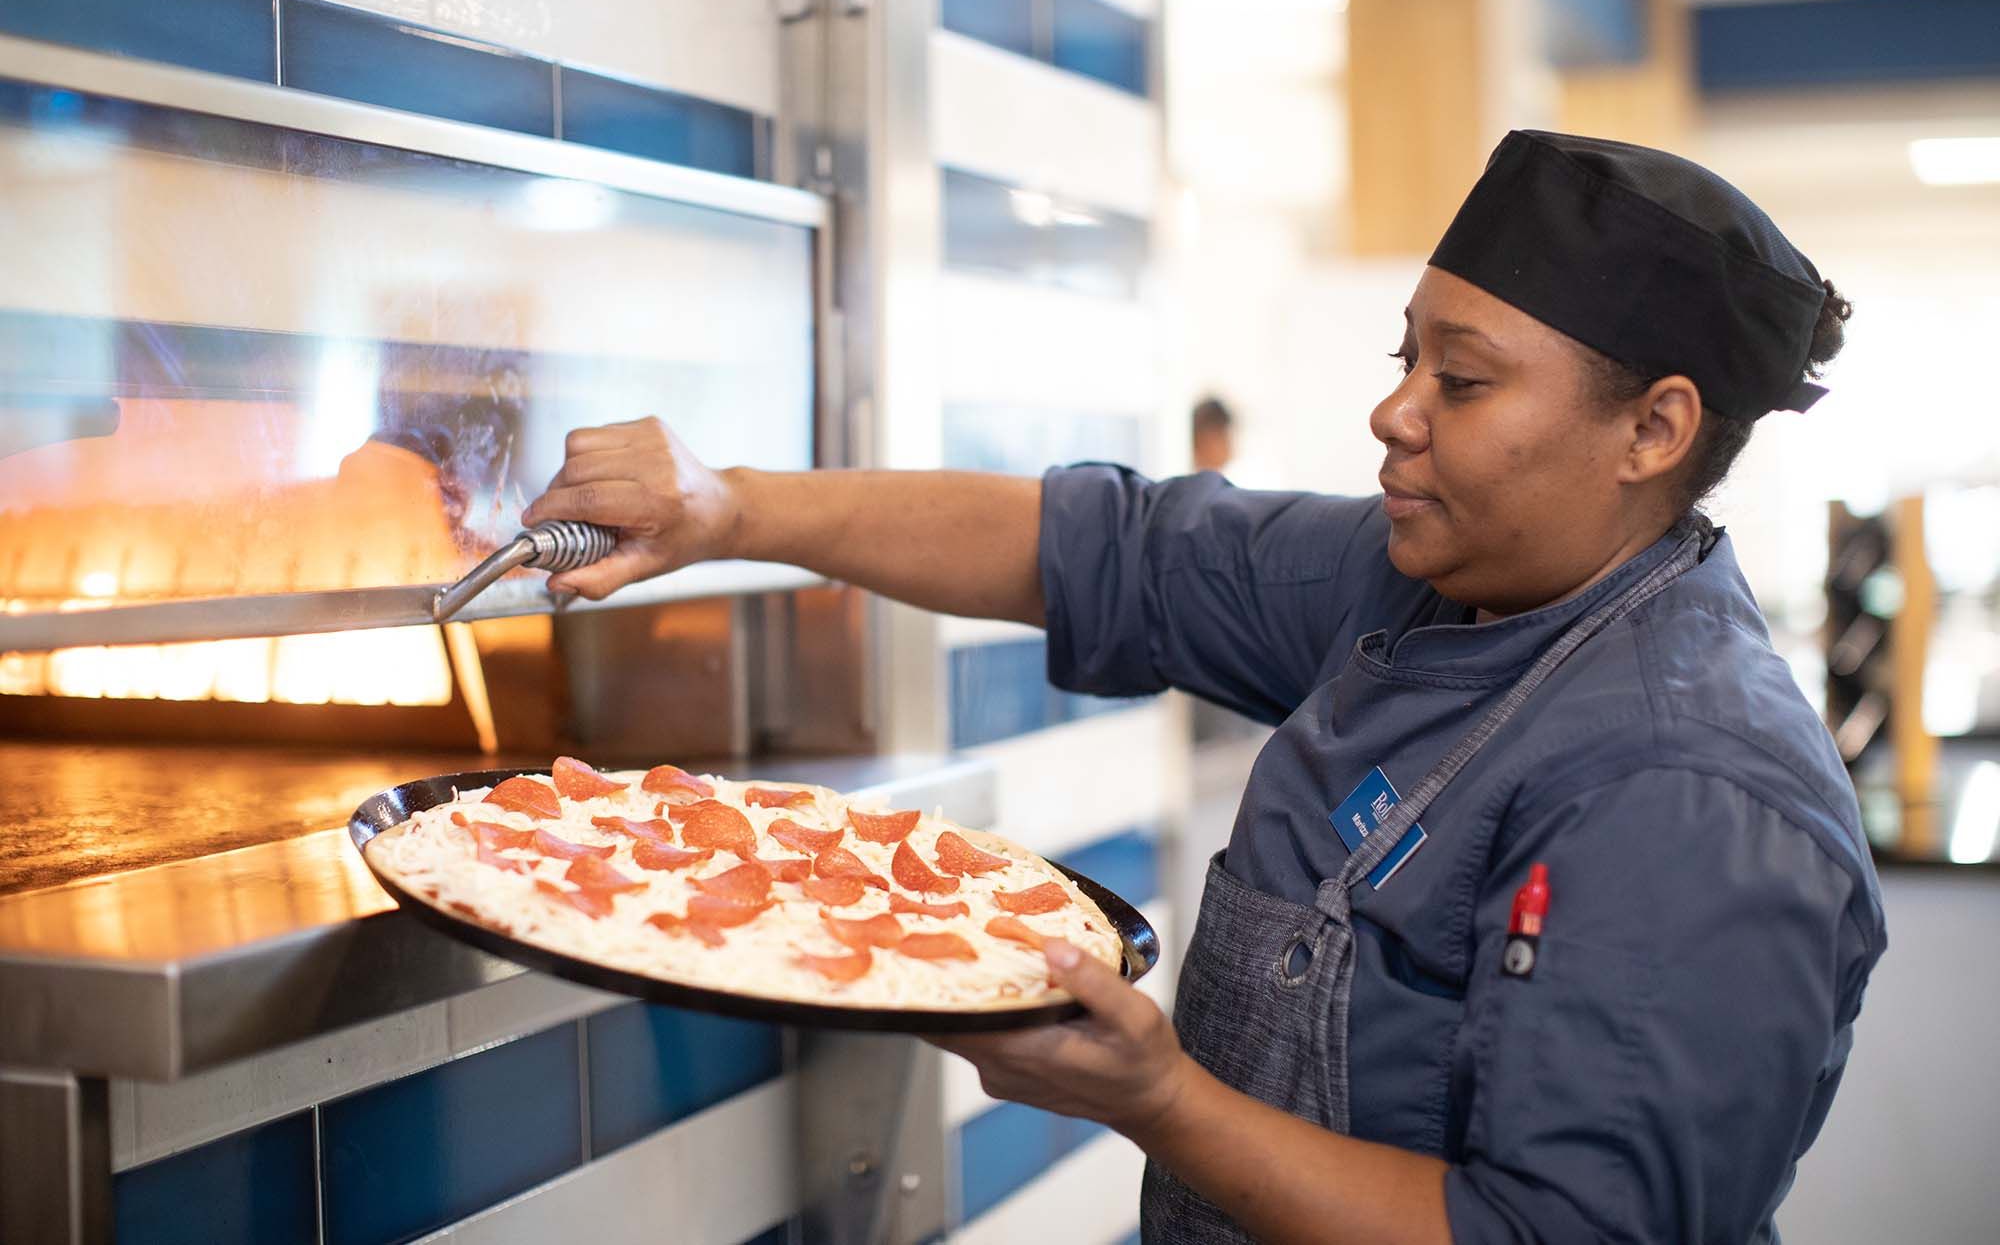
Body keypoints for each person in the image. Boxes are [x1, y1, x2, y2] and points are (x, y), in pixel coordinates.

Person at [524, 131, 1886, 1243]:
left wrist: (1163, 1099)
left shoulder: (1691, 793)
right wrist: (729, 504)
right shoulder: (1419, 575)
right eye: (1403, 356)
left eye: (1461, 381)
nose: (1396, 412)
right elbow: (1104, 551)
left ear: (1653, 429)